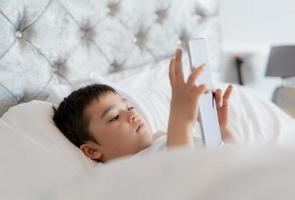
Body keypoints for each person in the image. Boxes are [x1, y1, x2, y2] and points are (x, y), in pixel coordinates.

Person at [53, 49, 236, 163]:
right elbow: (183, 178)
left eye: (129, 108)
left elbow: (233, 158)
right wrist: (180, 120)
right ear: (92, 150)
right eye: (115, 117)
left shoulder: (163, 140)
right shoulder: (125, 172)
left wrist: (221, 127)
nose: (132, 115)